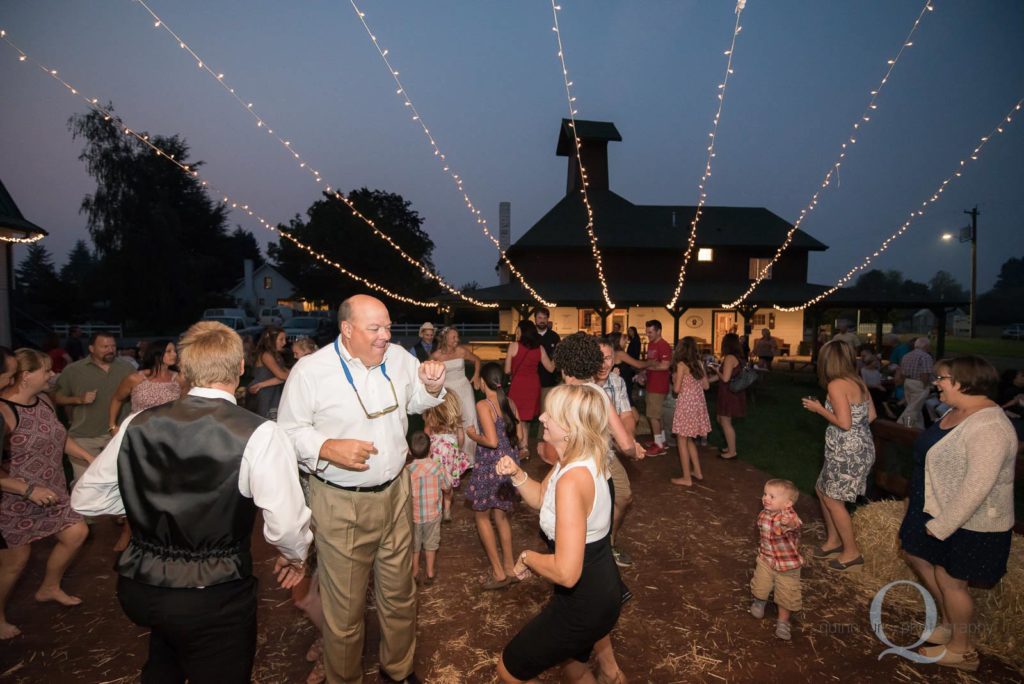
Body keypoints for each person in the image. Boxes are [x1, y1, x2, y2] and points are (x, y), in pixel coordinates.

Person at [72, 320, 312, 682]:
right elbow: (287, 524)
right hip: (211, 593)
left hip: (142, 587)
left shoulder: (137, 423)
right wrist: (295, 558)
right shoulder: (260, 433)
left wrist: (150, 498)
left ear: (184, 370)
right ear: (241, 366)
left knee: (165, 656)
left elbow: (87, 498)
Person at [277, 294, 447, 684]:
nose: (385, 335)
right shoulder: (311, 371)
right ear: (347, 329)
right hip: (341, 503)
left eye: (387, 326)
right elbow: (287, 431)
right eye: (375, 328)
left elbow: (417, 401)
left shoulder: (400, 359)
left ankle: (398, 672)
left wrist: (432, 387)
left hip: (397, 493)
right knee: (345, 612)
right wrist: (326, 447)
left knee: (401, 596)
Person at [495, 384, 624, 684]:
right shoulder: (578, 457)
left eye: (549, 414)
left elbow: (566, 573)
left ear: (569, 428)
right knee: (573, 668)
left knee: (509, 670)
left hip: (584, 601)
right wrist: (517, 474)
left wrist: (527, 557)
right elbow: (543, 497)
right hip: (598, 590)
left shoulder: (572, 480)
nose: (541, 418)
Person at [898, 356, 1017, 672]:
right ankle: (951, 625)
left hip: (970, 520)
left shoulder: (990, 425)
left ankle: (963, 651)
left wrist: (943, 525)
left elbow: (978, 485)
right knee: (924, 561)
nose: (936, 382)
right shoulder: (956, 411)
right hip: (937, 509)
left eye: (942, 378)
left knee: (951, 580)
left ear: (964, 382)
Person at [0, 349, 92, 640]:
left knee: (76, 533)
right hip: (13, 500)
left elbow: (60, 438)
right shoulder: (3, 411)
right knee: (15, 563)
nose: (52, 375)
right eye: (47, 371)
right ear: (26, 376)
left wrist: (90, 458)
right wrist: (27, 490)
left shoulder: (43, 401)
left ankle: (49, 587)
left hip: (52, 491)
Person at [801, 340, 876, 571]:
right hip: (858, 448)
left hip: (848, 454)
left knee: (834, 499)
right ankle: (833, 541)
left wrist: (820, 409)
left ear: (827, 361)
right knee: (822, 489)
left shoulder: (836, 385)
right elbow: (871, 415)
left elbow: (844, 423)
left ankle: (851, 553)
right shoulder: (858, 382)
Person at [107, 339, 186, 552]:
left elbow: (186, 407)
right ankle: (128, 532)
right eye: (169, 351)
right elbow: (116, 399)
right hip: (138, 441)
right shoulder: (135, 378)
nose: (174, 355)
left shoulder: (179, 379)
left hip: (168, 444)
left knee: (166, 490)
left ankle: (162, 535)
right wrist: (113, 426)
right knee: (137, 489)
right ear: (158, 354)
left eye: (174, 351)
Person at [464, 362, 525, 590]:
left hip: (490, 466)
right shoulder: (510, 403)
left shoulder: (484, 404)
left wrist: (473, 435)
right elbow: (519, 436)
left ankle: (499, 573)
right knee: (502, 517)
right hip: (509, 466)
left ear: (482, 382)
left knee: (482, 516)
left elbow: (491, 441)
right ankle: (510, 568)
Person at [53, 332, 136, 483]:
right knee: (85, 483)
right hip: (84, 437)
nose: (110, 350)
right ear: (91, 348)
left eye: (113, 346)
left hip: (117, 436)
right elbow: (58, 397)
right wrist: (78, 399)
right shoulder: (73, 370)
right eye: (105, 346)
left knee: (119, 483)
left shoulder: (127, 368)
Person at [595, 338, 643, 568]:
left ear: (614, 359)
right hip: (582, 453)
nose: (603, 364)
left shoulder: (617, 382)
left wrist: (629, 439)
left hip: (609, 453)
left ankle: (609, 543)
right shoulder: (580, 383)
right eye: (598, 358)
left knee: (623, 497)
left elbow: (626, 416)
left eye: (608, 358)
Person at [749, 479, 803, 641]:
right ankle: (759, 601)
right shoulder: (764, 514)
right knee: (760, 584)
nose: (766, 498)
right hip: (766, 559)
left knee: (787, 593)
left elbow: (795, 524)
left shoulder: (787, 516)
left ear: (787, 503)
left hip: (787, 566)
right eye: (765, 494)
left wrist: (789, 522)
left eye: (772, 496)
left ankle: (783, 621)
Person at [431, 326, 481, 464]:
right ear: (445, 338)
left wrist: (476, 376)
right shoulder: (436, 356)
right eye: (454, 337)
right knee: (452, 422)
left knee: (469, 418)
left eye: (457, 337)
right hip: (448, 392)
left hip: (464, 389)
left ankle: (470, 457)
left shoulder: (461, 350)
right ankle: (452, 456)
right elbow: (429, 373)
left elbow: (477, 360)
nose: (457, 340)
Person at [422, 392, 471, 522]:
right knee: (447, 486)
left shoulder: (430, 421)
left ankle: (437, 510)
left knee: (435, 486)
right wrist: (457, 447)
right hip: (449, 460)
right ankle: (447, 510)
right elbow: (461, 440)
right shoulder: (454, 425)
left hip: (434, 461)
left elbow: (425, 440)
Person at [670, 337, 711, 487]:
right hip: (697, 404)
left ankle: (686, 477)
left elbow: (676, 390)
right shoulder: (699, 364)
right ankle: (697, 472)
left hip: (686, 404)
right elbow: (706, 386)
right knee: (689, 439)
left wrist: (674, 379)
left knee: (681, 439)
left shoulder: (681, 365)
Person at [405, 431, 444, 585]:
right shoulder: (437, 467)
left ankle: (414, 572)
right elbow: (447, 487)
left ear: (409, 450)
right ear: (431, 450)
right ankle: (430, 572)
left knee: (414, 545)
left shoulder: (407, 470)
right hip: (433, 514)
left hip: (413, 515)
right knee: (431, 543)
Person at [505, 320, 556, 426]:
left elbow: (507, 370)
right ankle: (525, 442)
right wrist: (557, 354)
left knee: (517, 417)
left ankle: (520, 441)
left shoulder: (513, 346)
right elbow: (551, 368)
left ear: (520, 330)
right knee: (527, 418)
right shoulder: (540, 348)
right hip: (533, 386)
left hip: (517, 385)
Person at [642, 319, 673, 455]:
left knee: (653, 416)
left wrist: (650, 366)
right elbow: (651, 363)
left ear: (659, 331)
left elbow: (665, 365)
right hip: (652, 383)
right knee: (656, 415)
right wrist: (645, 371)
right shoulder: (651, 344)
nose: (648, 334)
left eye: (650, 332)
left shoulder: (663, 345)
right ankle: (661, 440)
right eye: (647, 332)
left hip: (658, 386)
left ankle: (658, 445)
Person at [715, 332, 746, 460]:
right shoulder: (737, 357)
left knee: (725, 421)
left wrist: (716, 369)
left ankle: (732, 452)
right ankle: (730, 446)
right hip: (731, 392)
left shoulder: (729, 358)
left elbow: (725, 378)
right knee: (721, 419)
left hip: (729, 393)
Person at [248, 326, 289, 420]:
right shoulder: (266, 355)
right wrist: (293, 375)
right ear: (271, 340)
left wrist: (263, 384)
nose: (284, 342)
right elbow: (282, 375)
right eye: (281, 339)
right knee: (266, 421)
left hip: (270, 390)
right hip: (264, 394)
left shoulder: (275, 355)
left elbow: (286, 373)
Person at [897, 337, 935, 428]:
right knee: (913, 408)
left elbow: (903, 373)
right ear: (926, 346)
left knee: (915, 407)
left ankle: (918, 428)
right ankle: (903, 425)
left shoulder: (906, 355)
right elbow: (925, 374)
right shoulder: (926, 356)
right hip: (919, 383)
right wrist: (926, 385)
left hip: (908, 382)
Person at [535, 308, 561, 407]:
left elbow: (559, 357)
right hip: (532, 381)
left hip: (549, 382)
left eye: (545, 318)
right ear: (535, 319)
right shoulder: (530, 336)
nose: (542, 320)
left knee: (546, 410)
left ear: (548, 319)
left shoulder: (554, 336)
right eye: (540, 317)